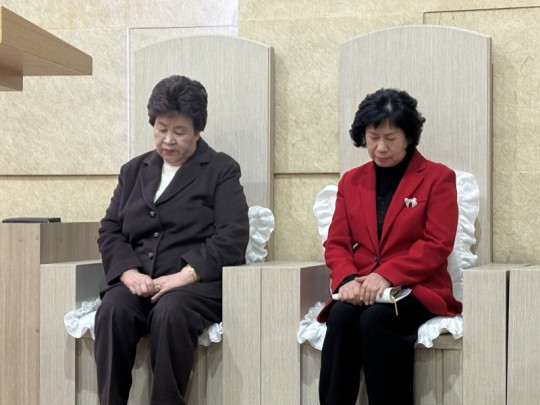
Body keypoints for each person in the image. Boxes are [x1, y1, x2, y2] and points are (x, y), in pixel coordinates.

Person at [94, 75, 250, 405]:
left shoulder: (220, 169)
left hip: (194, 286)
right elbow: (110, 229)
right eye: (161, 128)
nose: (167, 140)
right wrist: (128, 273)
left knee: (170, 311)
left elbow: (232, 235)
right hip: (140, 282)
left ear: (197, 130)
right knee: (113, 308)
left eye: (179, 131)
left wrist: (186, 275)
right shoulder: (133, 170)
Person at [317, 88, 462, 405]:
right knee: (341, 317)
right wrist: (346, 279)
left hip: (417, 287)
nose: (380, 148)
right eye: (373, 138)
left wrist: (387, 275)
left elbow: (437, 244)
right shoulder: (351, 181)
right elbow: (337, 242)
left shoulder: (437, 178)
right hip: (363, 286)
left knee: (376, 321)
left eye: (390, 138)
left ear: (408, 137)